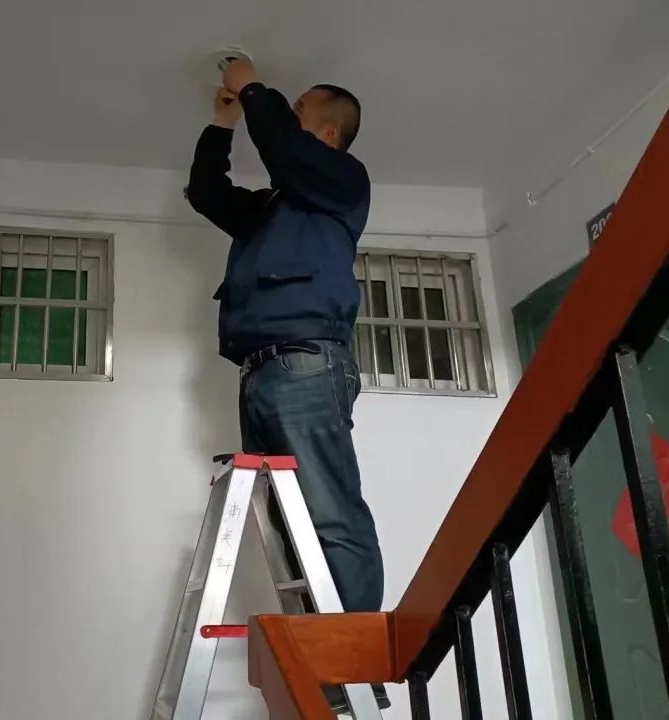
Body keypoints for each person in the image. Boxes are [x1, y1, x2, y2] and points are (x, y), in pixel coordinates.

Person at [186, 58, 388, 712]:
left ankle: (349, 661)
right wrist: (221, 126)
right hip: (261, 370)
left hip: (306, 362)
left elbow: (282, 148)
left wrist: (251, 87)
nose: (282, 116)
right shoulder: (276, 207)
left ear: (326, 135)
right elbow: (208, 193)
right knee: (291, 527)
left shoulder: (341, 182)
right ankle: (319, 662)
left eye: (297, 110)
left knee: (329, 512)